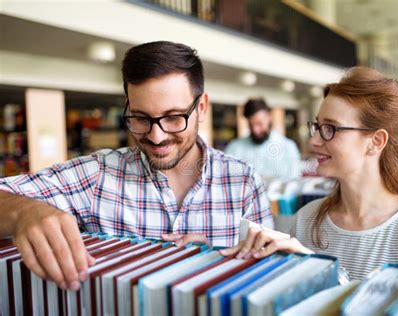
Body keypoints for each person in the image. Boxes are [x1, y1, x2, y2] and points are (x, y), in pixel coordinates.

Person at [0, 41, 273, 291]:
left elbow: (269, 279)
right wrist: (23, 212)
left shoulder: (244, 182)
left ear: (201, 107)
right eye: (141, 118)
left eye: (174, 117)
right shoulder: (97, 175)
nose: (157, 136)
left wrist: (216, 262)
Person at [221, 67, 398, 281]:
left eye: (330, 129)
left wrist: (325, 274)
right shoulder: (306, 221)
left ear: (376, 141)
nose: (314, 141)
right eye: (317, 126)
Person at [225, 98, 301, 182]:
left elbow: (295, 182)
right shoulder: (235, 148)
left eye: (259, 124)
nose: (255, 130)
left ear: (269, 118)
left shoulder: (288, 147)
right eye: (251, 125)